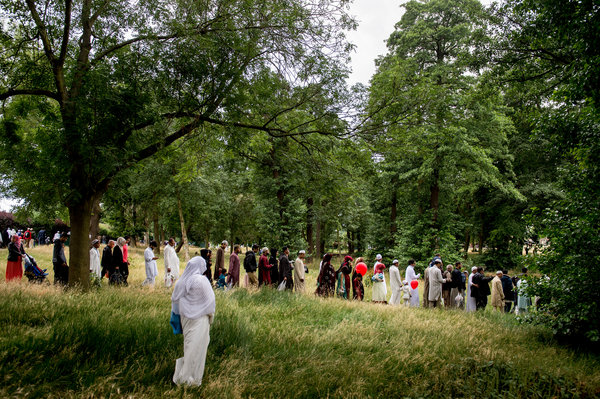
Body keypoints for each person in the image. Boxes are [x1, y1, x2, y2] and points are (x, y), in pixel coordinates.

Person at [171, 256, 215, 387]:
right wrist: (210, 316)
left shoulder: (181, 281)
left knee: (189, 347)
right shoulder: (201, 281)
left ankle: (184, 375)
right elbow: (210, 301)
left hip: (186, 319)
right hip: (200, 319)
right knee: (197, 349)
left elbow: (175, 302)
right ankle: (190, 379)